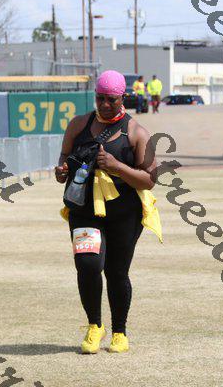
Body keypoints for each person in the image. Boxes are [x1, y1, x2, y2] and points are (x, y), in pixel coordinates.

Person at [55, 70, 162, 354]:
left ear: (122, 98)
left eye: (111, 99)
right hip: (84, 211)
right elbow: (64, 157)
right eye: (100, 98)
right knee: (88, 265)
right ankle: (94, 326)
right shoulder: (78, 125)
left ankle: (119, 332)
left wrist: (117, 166)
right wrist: (62, 170)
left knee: (116, 272)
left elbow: (150, 179)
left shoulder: (137, 133)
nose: (104, 104)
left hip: (124, 214)